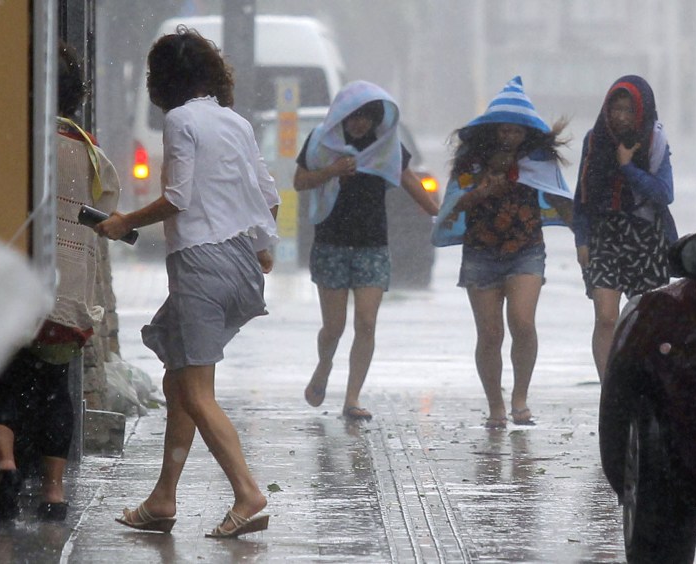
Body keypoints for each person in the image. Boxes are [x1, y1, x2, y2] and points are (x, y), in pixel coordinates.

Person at [97, 27, 279, 537]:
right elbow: (268, 194)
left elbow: (177, 197)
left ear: (164, 80)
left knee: (197, 392)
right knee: (179, 378)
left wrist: (123, 221)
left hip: (200, 265)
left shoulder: (180, 121)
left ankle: (247, 493)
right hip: (240, 261)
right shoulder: (236, 122)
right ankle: (163, 498)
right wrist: (264, 249)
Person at [0, 41, 120, 521]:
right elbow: (109, 203)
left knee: (1, 378)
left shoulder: (12, 138)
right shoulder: (87, 148)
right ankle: (55, 492)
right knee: (54, 386)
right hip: (64, 291)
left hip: (13, 280)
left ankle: (5, 462)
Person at [294, 80, 439, 421]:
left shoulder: (387, 147)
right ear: (342, 117)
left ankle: (352, 397)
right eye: (354, 116)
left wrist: (438, 211)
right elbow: (300, 181)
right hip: (331, 243)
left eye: (367, 117)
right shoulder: (322, 142)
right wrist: (332, 171)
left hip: (373, 245)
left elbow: (408, 179)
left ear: (376, 119)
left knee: (367, 321)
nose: (360, 123)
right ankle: (324, 365)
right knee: (334, 327)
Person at [440, 76, 572, 429]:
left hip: (526, 250)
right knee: (490, 334)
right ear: (493, 129)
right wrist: (482, 192)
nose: (509, 136)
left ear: (527, 132)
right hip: (481, 253)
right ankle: (495, 404)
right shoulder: (472, 162)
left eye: (517, 131)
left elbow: (560, 198)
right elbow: (453, 206)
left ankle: (520, 398)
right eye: (504, 130)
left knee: (523, 322)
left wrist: (585, 236)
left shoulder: (539, 160)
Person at [573, 75, 677, 383]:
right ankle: (610, 392)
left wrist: (628, 167)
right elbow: (582, 195)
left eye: (628, 110)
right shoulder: (595, 141)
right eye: (615, 108)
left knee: (647, 321)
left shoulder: (655, 141)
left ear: (641, 111)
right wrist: (582, 239)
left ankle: (643, 385)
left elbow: (664, 193)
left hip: (647, 238)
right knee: (606, 317)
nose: (620, 116)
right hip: (605, 234)